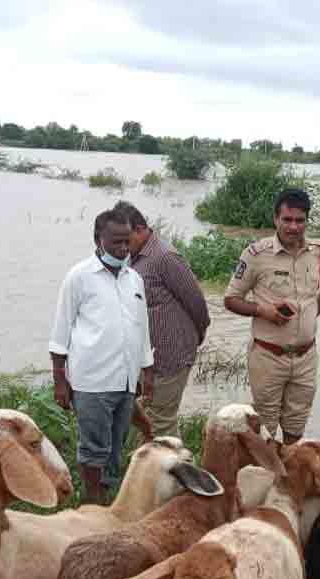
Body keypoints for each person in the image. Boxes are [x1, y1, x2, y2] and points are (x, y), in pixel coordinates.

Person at [50, 207, 154, 504]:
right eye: (115, 242)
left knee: (116, 445)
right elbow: (60, 334)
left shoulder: (134, 279)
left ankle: (108, 496)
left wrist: (147, 370)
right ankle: (92, 500)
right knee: (93, 447)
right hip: (91, 381)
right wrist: (60, 380)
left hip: (124, 381)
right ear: (98, 239)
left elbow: (141, 328)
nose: (123, 249)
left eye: (127, 242)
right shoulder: (78, 277)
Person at [224, 187, 320, 443]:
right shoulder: (256, 254)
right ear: (275, 219)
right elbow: (231, 299)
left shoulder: (318, 252)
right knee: (265, 429)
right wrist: (262, 311)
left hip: (306, 358)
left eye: (300, 220)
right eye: (287, 219)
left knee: (296, 427)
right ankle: (267, 478)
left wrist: (311, 315)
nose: (293, 227)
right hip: (268, 357)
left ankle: (288, 476)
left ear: (307, 220)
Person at [116, 201, 210, 438]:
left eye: (127, 239)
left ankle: (169, 471)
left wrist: (191, 341)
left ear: (140, 229)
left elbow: (197, 303)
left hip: (170, 357)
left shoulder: (165, 257)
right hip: (144, 358)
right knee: (146, 419)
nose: (123, 246)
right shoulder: (132, 257)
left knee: (160, 426)